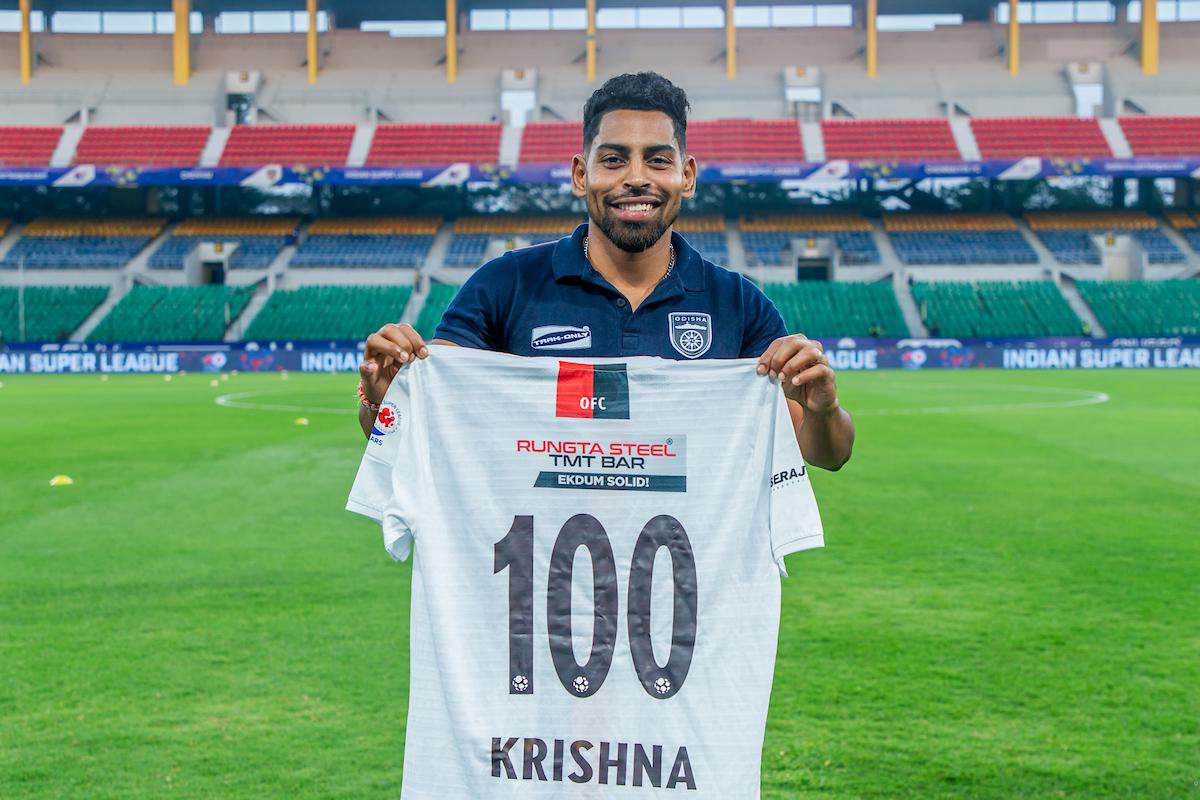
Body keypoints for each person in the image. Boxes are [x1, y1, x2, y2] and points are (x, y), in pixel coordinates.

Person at [358, 71, 853, 470]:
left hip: (685, 588)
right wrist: (382, 404)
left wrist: (823, 410)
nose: (636, 179)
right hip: (534, 587)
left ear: (687, 175)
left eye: (657, 160)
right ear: (581, 174)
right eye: (614, 160)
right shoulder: (504, 285)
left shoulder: (738, 303)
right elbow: (415, 419)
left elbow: (827, 454)